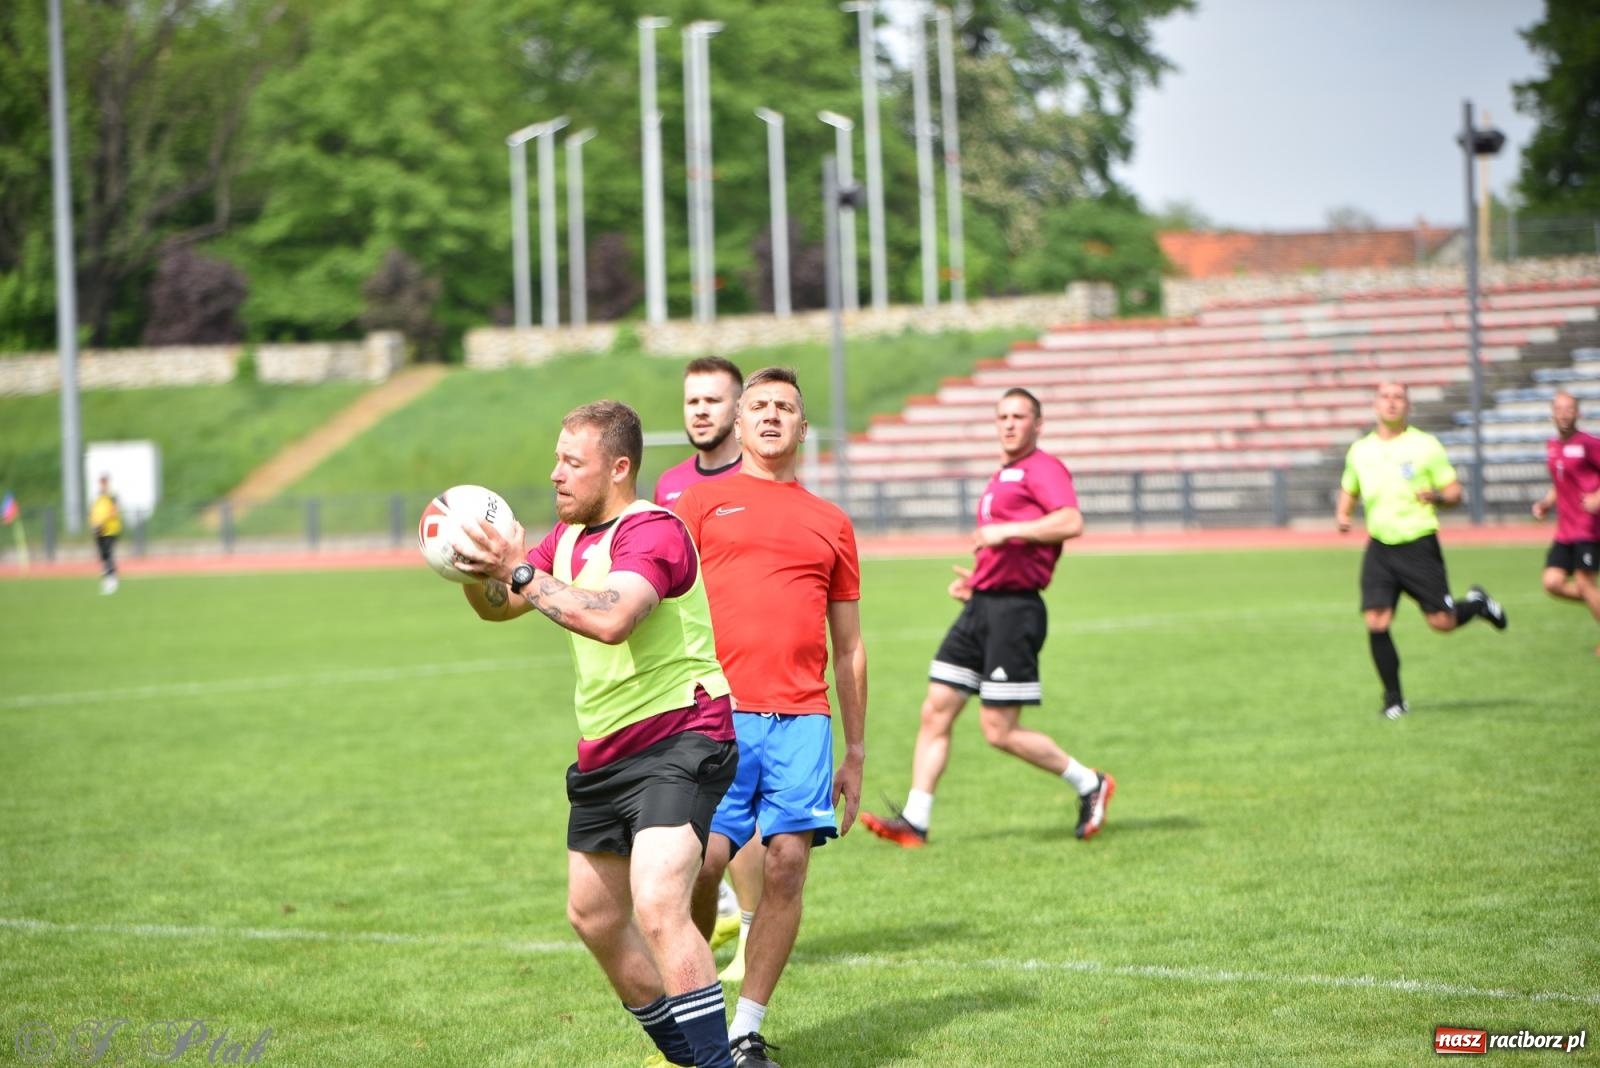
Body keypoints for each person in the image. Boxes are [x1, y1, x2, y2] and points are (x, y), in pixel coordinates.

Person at [452, 400, 739, 1068]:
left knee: (659, 903)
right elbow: (504, 607)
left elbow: (614, 618)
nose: (555, 474)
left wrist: (518, 568)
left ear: (617, 468)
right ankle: (689, 1057)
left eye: (571, 462)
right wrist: (474, 571)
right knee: (595, 918)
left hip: (682, 734)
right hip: (606, 752)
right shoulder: (568, 537)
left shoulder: (653, 532)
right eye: (556, 458)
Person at [673, 367, 867, 1068]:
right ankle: (690, 999)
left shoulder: (831, 522)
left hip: (803, 720)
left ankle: (745, 1029)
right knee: (699, 869)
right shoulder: (699, 505)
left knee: (786, 865)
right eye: (759, 406)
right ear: (740, 421)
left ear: (803, 427)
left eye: (786, 407)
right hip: (717, 718)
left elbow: (849, 647)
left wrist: (857, 751)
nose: (772, 416)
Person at [861, 387, 1114, 849]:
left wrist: (1008, 530)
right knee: (935, 709)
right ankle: (915, 820)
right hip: (982, 605)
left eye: (1020, 416)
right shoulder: (1003, 475)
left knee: (999, 730)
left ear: (1038, 424)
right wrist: (978, 582)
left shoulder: (1044, 468)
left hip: (1015, 611)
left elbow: (1070, 520)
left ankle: (1089, 783)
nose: (1010, 423)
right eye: (1003, 416)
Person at [652, 355, 763, 985]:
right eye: (692, 400)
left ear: (738, 408)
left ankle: (749, 934)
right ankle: (716, 912)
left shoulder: (756, 480)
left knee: (736, 810)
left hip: (742, 668)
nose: (700, 411)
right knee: (689, 809)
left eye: (713, 401)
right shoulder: (670, 485)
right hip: (679, 673)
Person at [1334, 380, 1508, 720]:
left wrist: (1438, 498)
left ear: (1407, 406)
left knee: (1442, 623)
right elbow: (1349, 487)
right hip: (1380, 547)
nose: (1392, 403)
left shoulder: (1425, 446)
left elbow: (1455, 491)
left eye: (1398, 397)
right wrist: (1343, 514)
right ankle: (1393, 699)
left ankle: (1478, 603)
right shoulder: (1360, 450)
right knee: (1376, 621)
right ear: (1375, 405)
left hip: (1418, 545)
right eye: (1385, 397)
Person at [1531, 390, 1600, 655]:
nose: (1563, 414)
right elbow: (1562, 484)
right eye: (1559, 409)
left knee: (1584, 583)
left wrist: (1596, 498)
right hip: (1565, 531)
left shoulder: (1589, 444)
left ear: (1577, 413)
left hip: (1588, 528)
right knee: (1552, 583)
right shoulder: (1552, 446)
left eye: (1569, 409)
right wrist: (1546, 503)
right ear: (1552, 413)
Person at [88, 474, 123, 595]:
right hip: (99, 530)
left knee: (108, 553)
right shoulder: (97, 497)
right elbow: (93, 512)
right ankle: (108, 574)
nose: (102, 484)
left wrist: (102, 522)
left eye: (104, 482)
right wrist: (94, 524)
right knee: (102, 554)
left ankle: (111, 579)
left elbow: (114, 511)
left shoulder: (112, 496)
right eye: (101, 482)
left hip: (110, 529)